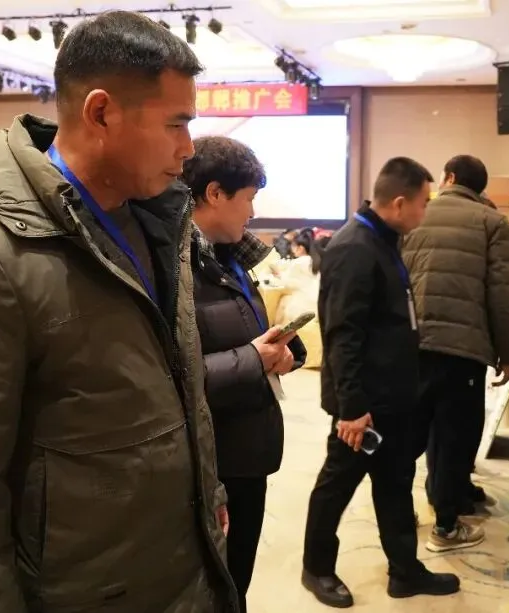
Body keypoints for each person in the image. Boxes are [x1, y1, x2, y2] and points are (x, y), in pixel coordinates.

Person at [0, 11, 238, 613]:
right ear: (101, 113)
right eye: (176, 124)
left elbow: (170, 398)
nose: (188, 149)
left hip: (177, 572)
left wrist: (206, 500)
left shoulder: (153, 220)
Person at [301, 157, 459, 608]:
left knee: (395, 484)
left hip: (393, 398)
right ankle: (316, 567)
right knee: (337, 484)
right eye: (424, 203)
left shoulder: (384, 241)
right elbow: (343, 335)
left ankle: (404, 571)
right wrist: (352, 408)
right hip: (364, 404)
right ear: (399, 202)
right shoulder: (355, 248)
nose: (425, 212)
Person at [183, 135, 307, 613]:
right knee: (220, 586)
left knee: (238, 581)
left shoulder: (229, 257)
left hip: (247, 452)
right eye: (249, 199)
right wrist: (254, 359)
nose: (253, 213)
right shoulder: (176, 268)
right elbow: (170, 377)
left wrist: (285, 352)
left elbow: (248, 332)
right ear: (214, 193)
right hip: (215, 461)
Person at [401, 154, 509, 553]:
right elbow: (502, 294)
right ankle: (446, 526)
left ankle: (399, 513)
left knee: (409, 435)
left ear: (449, 178)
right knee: (454, 438)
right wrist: (507, 354)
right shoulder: (493, 223)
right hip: (463, 351)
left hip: (412, 344)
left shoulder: (419, 213)